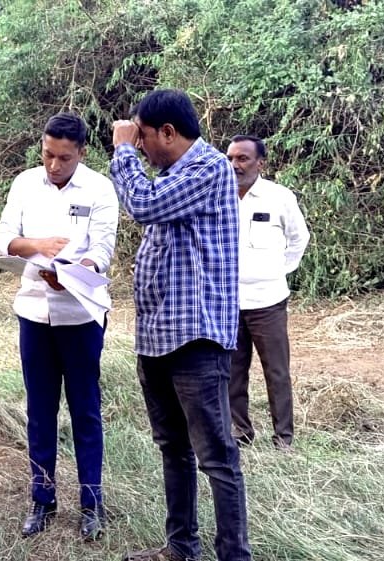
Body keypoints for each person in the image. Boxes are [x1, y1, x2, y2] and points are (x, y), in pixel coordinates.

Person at [108, 90, 252, 561]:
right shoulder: (175, 176)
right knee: (173, 448)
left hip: (196, 340)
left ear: (168, 132)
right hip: (158, 337)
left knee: (216, 457)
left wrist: (122, 150)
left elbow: (142, 204)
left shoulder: (209, 169)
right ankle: (181, 548)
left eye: (144, 137)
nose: (141, 147)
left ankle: (234, 555)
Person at [0, 113, 118, 541]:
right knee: (40, 410)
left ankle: (92, 503)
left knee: (85, 410)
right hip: (33, 313)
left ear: (81, 153)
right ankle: (42, 499)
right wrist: (37, 246)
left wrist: (77, 270)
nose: (53, 165)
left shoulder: (100, 189)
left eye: (64, 158)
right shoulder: (25, 183)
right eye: (48, 155)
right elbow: (4, 238)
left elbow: (102, 251)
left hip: (80, 316)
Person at [226, 135, 310, 451]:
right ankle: (240, 431)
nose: (235, 165)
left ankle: (283, 438)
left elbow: (299, 239)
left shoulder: (279, 197)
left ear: (260, 163)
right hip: (228, 302)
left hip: (268, 302)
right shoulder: (218, 196)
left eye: (243, 158)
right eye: (230, 158)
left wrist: (277, 271)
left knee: (276, 371)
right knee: (232, 372)